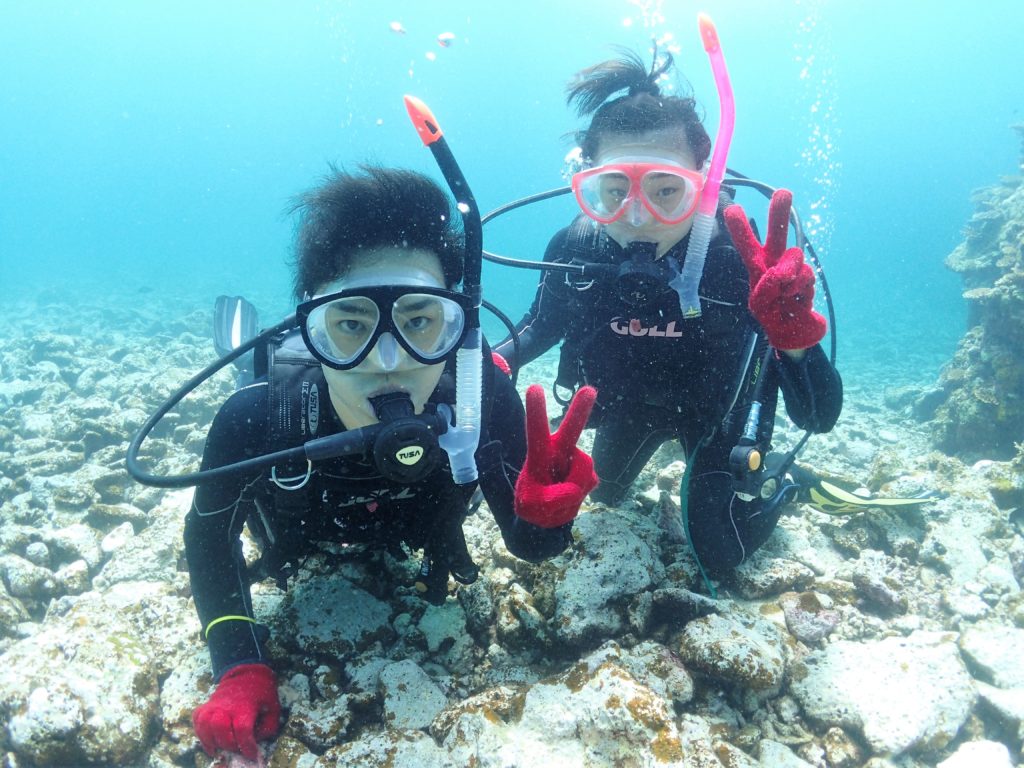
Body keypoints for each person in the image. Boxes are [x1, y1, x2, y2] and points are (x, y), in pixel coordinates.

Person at [184, 165, 597, 762]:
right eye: (351, 324)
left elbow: (528, 546)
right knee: (258, 375)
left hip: (414, 536)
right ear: (314, 325)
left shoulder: (480, 399)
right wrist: (239, 664)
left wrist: (546, 522)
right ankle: (253, 347)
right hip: (299, 534)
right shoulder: (254, 421)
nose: (386, 361)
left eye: (420, 321)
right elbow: (208, 535)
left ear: (458, 326)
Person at [493, 49, 843, 580]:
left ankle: (784, 483)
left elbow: (818, 418)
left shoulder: (739, 260)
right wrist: (484, 366)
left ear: (703, 181)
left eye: (665, 191)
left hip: (715, 415)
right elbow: (538, 329)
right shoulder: (576, 249)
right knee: (603, 493)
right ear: (587, 182)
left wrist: (794, 340)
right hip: (625, 406)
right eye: (613, 192)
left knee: (717, 552)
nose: (637, 217)